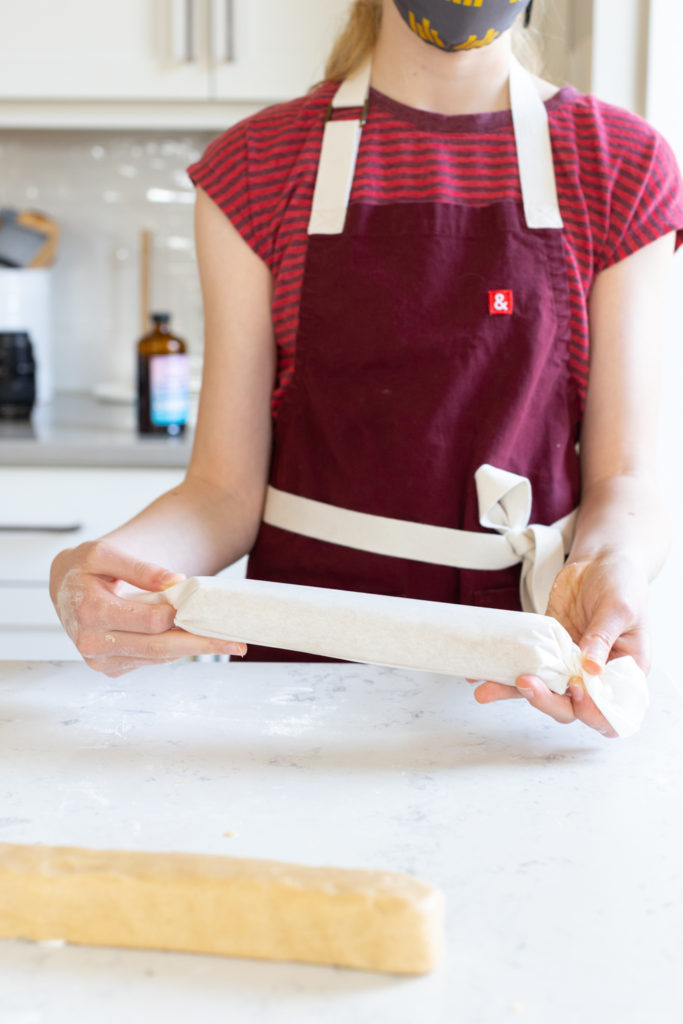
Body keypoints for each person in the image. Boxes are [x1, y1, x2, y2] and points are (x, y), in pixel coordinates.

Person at [50, 0, 683, 738]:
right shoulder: (259, 164)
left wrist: (615, 572)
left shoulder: (615, 163)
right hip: (299, 664)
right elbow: (222, 491)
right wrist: (105, 572)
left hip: (521, 666)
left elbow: (624, 479)